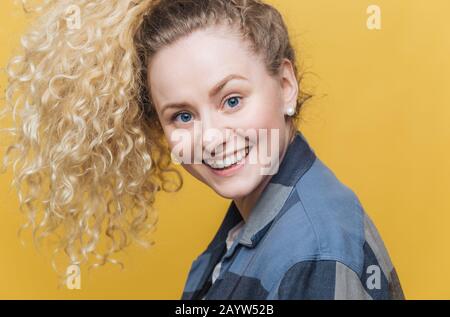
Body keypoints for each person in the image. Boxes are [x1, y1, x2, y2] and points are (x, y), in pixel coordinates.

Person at [1, 0, 404, 299]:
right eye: (182, 116)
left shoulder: (314, 253)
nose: (210, 138)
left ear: (285, 86)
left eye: (231, 100)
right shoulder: (253, 220)